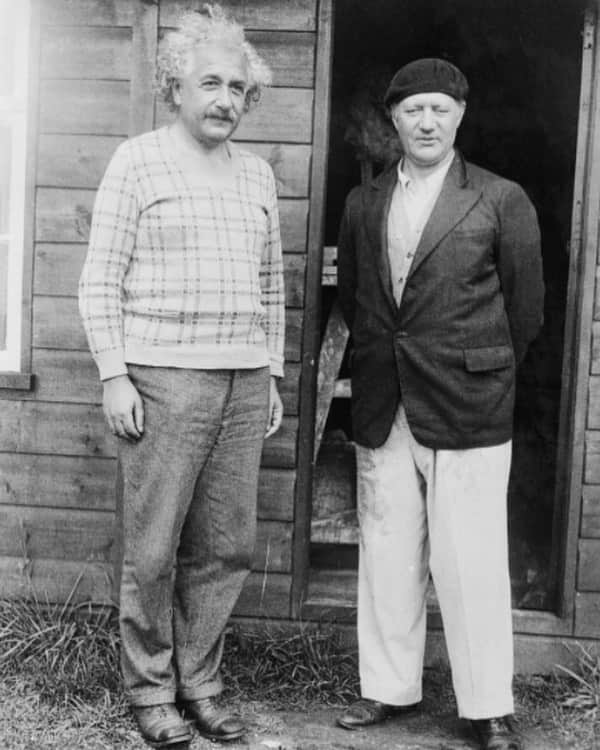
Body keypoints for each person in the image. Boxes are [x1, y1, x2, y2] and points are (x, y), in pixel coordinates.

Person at [79, 5, 285, 747]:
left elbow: (272, 288)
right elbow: (99, 279)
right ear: (176, 87)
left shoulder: (257, 174)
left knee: (227, 545)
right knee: (155, 547)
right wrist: (114, 375)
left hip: (241, 383)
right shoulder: (137, 161)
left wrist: (272, 375)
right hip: (163, 381)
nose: (225, 99)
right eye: (209, 83)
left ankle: (201, 683)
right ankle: (151, 689)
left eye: (238, 87)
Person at [335, 58, 543, 750]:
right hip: (384, 401)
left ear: (460, 116)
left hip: (468, 404)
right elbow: (361, 302)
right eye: (413, 110)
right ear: (394, 119)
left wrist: (471, 363)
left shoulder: (499, 198)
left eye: (440, 110)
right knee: (388, 550)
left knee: (472, 558)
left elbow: (527, 311)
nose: (427, 122)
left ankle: (487, 707)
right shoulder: (364, 203)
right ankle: (388, 690)